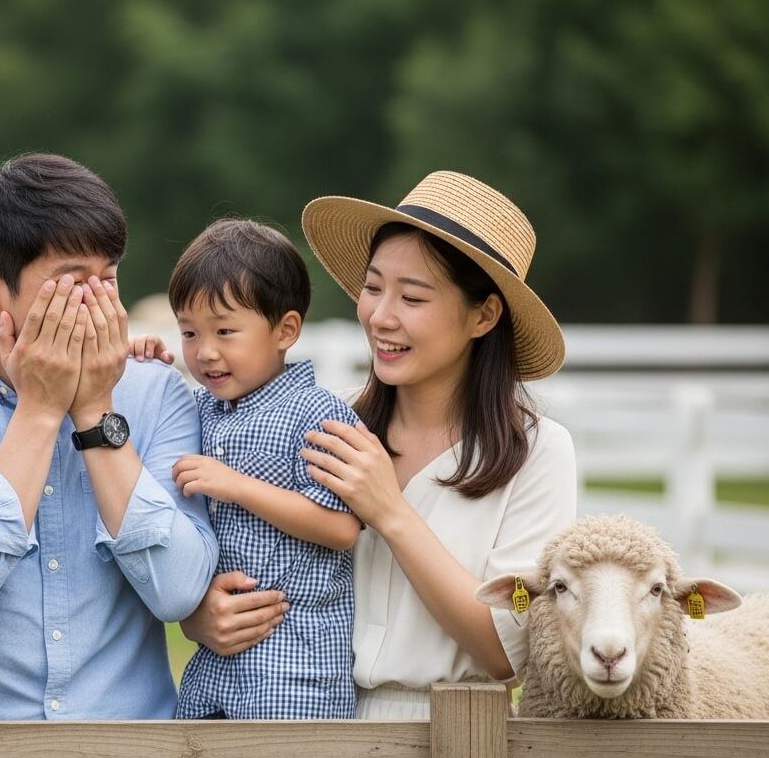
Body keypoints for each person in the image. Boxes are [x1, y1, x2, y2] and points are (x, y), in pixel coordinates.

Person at [177, 171, 577, 718]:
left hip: (463, 728)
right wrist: (200, 615)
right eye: (372, 288)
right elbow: (227, 539)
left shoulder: (536, 452)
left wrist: (389, 511)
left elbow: (508, 650)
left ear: (483, 315)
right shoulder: (323, 420)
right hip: (313, 714)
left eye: (412, 296)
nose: (379, 316)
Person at [0, 153, 217, 720]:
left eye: (110, 279)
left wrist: (97, 412)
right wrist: (41, 408)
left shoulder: (157, 393)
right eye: (74, 283)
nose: (99, 304)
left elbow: (177, 590)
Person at [131, 219, 361, 718]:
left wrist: (238, 486)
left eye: (225, 331)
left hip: (295, 668)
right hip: (213, 662)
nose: (205, 351)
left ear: (286, 330)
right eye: (189, 332)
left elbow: (342, 528)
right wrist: (144, 366)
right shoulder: (199, 409)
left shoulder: (318, 415)